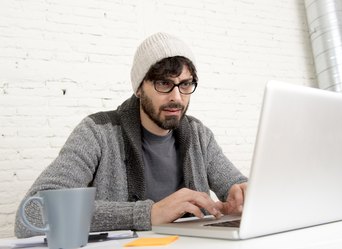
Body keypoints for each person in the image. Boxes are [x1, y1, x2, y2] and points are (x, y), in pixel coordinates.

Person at [14, 32, 248, 238]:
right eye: (163, 83)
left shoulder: (199, 135)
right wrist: (148, 214)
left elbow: (238, 187)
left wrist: (242, 199)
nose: (177, 97)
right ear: (138, 87)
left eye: (185, 84)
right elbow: (32, 215)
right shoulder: (97, 132)